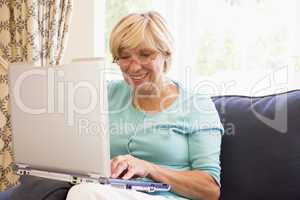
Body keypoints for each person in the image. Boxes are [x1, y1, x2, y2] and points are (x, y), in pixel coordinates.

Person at [66, 11, 223, 200]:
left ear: (166, 53)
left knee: (84, 194)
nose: (133, 67)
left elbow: (210, 190)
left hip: (167, 197)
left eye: (145, 54)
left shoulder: (197, 106)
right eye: (124, 57)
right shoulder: (105, 94)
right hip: (112, 192)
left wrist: (148, 168)